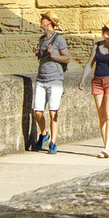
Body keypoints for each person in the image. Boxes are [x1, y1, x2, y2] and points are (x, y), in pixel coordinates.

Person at [81, 21, 109, 158]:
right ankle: (106, 147)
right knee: (101, 116)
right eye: (105, 29)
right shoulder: (97, 45)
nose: (104, 31)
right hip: (97, 81)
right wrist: (83, 79)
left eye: (108, 30)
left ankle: (107, 147)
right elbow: (90, 64)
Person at [29, 11, 69, 153]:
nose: (40, 20)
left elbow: (67, 58)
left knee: (53, 113)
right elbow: (43, 57)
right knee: (38, 112)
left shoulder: (59, 39)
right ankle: (44, 133)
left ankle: (53, 142)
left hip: (55, 80)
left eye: (43, 18)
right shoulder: (41, 39)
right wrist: (38, 53)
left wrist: (54, 54)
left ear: (49, 22)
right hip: (41, 79)